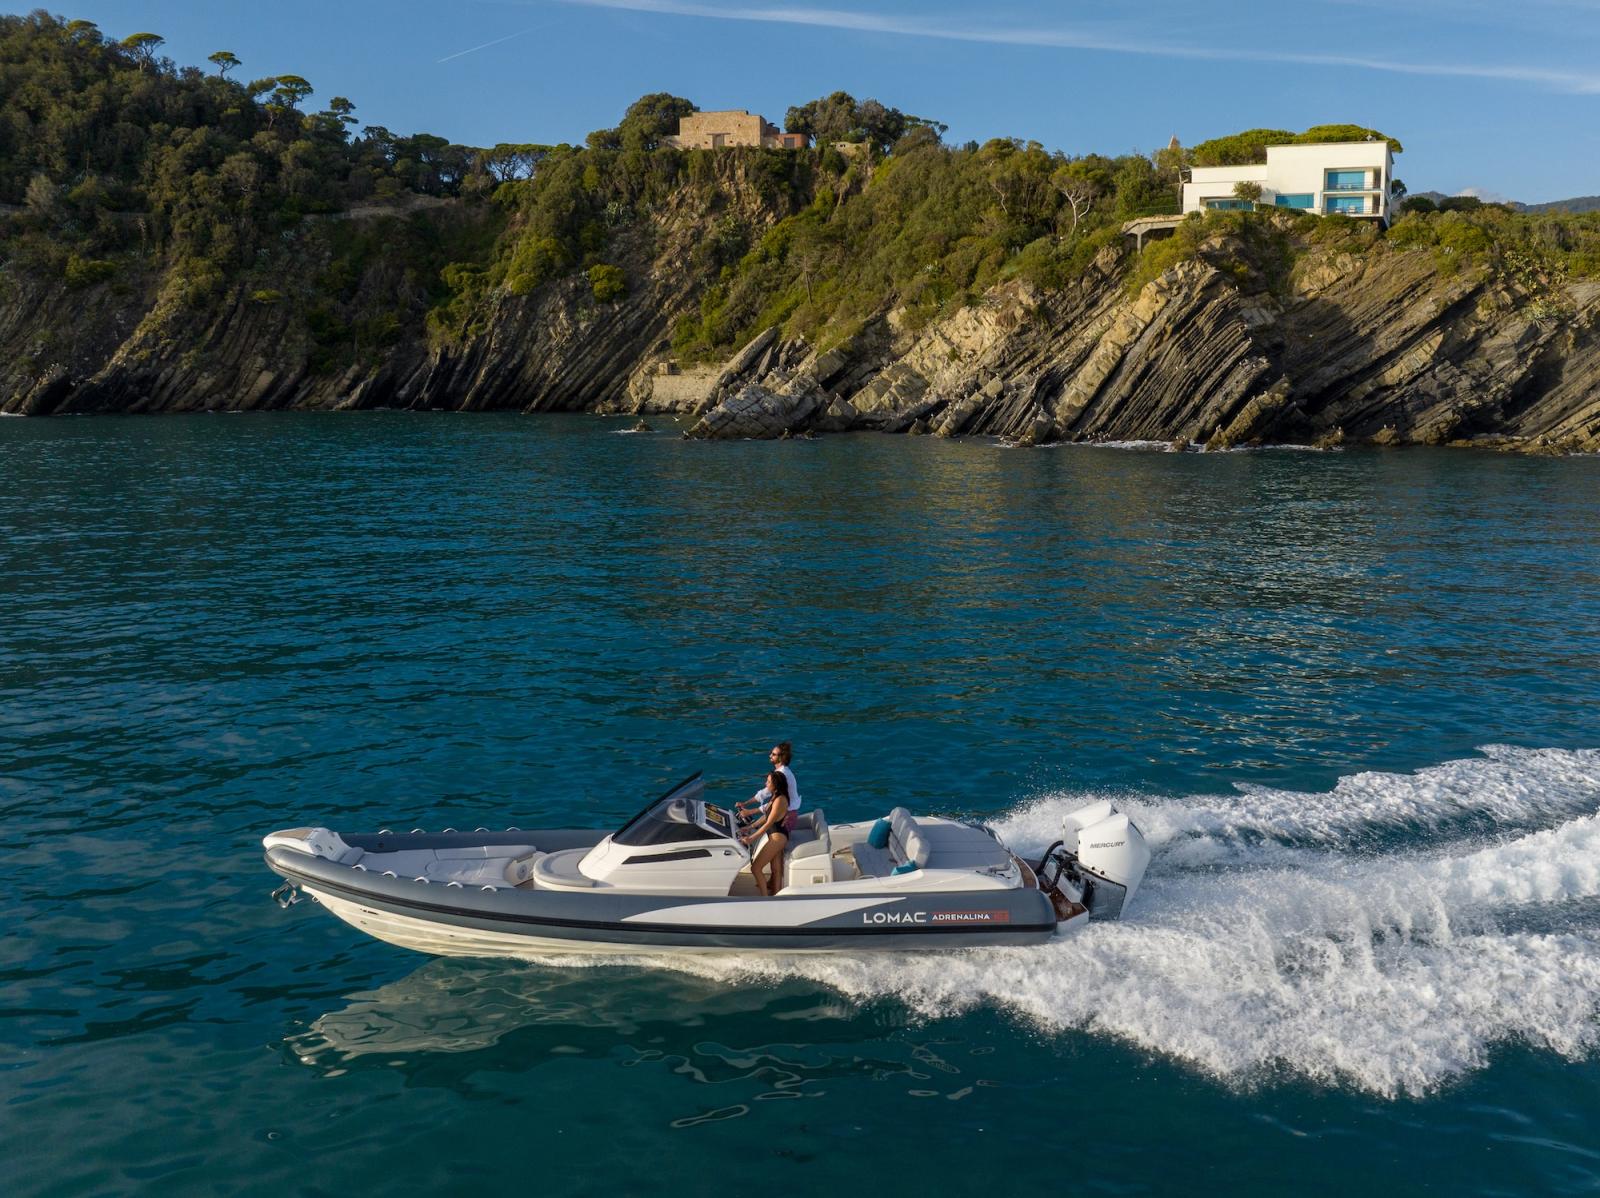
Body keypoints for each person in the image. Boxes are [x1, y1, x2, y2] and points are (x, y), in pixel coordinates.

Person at [741, 770, 791, 896]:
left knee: (755, 868)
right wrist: (750, 827)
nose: (766, 784)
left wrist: (752, 838)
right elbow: (766, 816)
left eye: (768, 782)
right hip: (775, 836)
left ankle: (765, 898)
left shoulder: (780, 800)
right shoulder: (775, 796)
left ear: (776, 784)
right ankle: (776, 896)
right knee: (776, 869)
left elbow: (769, 823)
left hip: (777, 837)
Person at [736, 742, 800, 830]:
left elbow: (772, 804)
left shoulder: (782, 774)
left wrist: (749, 811)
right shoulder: (782, 771)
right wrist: (745, 804)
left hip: (785, 818)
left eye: (773, 754)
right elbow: (765, 795)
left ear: (781, 758)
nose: (770, 756)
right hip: (785, 813)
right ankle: (750, 828)